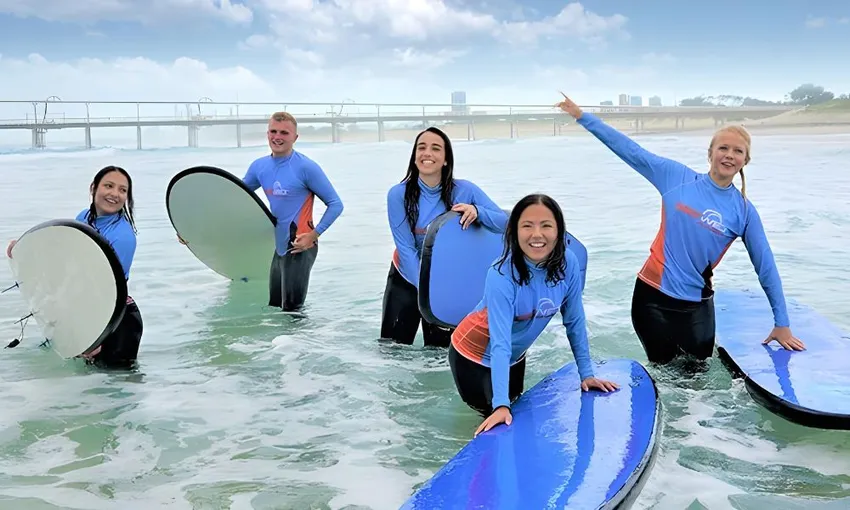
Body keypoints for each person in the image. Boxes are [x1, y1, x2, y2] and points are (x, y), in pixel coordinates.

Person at [555, 92, 805, 365]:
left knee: (698, 382)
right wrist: (583, 117)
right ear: (710, 153)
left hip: (696, 307)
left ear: (746, 160)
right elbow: (630, 150)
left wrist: (782, 323)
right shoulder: (675, 177)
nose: (729, 155)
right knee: (665, 378)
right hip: (651, 299)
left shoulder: (744, 212)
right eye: (723, 148)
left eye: (738, 151)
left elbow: (765, 266)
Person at [449, 193, 619, 437]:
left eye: (546, 225)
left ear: (559, 231)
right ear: (514, 232)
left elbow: (574, 321)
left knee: (515, 416)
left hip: (514, 357)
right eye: (527, 226)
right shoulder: (501, 276)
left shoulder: (568, 264)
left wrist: (587, 375)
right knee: (493, 424)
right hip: (473, 357)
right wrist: (500, 404)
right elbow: (500, 343)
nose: (537, 235)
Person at [180, 111, 344, 312]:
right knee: (275, 307)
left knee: (293, 310)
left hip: (301, 245)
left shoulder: (306, 167)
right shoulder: (260, 167)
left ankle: (303, 344)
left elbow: (336, 204)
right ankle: (277, 345)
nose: (278, 137)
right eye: (273, 131)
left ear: (295, 137)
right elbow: (231, 200)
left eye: (284, 133)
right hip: (279, 247)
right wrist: (191, 228)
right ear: (267, 134)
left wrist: (314, 235)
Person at [382, 126, 508, 348]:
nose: (427, 153)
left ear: (446, 159)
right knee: (393, 352)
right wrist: (427, 290)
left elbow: (506, 224)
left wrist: (478, 212)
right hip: (406, 278)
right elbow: (406, 247)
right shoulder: (398, 194)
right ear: (414, 157)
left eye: (435, 148)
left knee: (438, 357)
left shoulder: (465, 190)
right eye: (421, 148)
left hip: (448, 283)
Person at [6, 165, 142, 369]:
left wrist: (97, 336)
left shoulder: (123, 236)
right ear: (94, 188)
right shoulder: (84, 218)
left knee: (115, 390)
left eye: (123, 190)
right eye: (109, 185)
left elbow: (107, 291)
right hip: (88, 310)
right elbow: (66, 260)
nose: (115, 193)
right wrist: (25, 250)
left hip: (115, 321)